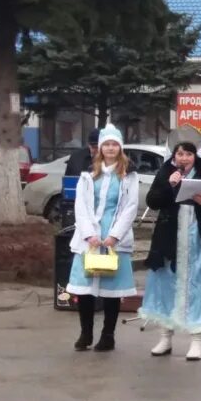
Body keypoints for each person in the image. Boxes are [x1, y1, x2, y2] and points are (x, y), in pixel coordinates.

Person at [139, 141, 201, 361]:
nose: (184, 158)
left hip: (198, 237)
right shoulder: (166, 172)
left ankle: (196, 339)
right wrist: (169, 186)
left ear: (195, 156)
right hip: (169, 236)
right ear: (174, 156)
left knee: (197, 285)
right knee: (166, 283)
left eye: (188, 154)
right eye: (180, 154)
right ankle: (165, 337)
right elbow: (152, 201)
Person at [66, 124, 139, 352]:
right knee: (85, 288)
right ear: (100, 148)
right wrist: (89, 234)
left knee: (111, 291)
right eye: (106, 144)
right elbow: (81, 206)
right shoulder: (88, 172)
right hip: (90, 238)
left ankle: (108, 335)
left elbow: (131, 207)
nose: (110, 148)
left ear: (120, 147)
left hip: (114, 238)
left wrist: (114, 236)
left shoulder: (129, 174)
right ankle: (85, 333)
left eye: (114, 144)